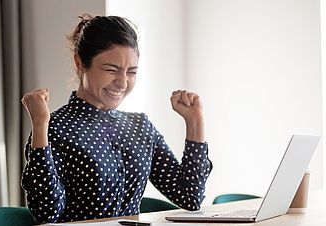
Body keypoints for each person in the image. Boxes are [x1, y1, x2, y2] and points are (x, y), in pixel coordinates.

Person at [21, 14, 213, 224]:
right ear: (80, 62)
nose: (122, 83)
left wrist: (195, 122)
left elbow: (190, 197)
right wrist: (40, 125)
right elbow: (47, 213)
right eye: (111, 70)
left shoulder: (141, 126)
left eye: (131, 72)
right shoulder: (55, 127)